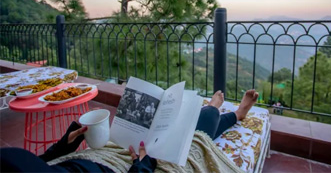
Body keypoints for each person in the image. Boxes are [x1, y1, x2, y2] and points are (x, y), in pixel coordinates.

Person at [0, 90, 259, 172]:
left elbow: (39, 164)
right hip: (124, 167)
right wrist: (143, 166)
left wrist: (65, 144)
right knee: (192, 142)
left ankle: (220, 111)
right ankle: (228, 112)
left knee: (164, 130)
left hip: (90, 158)